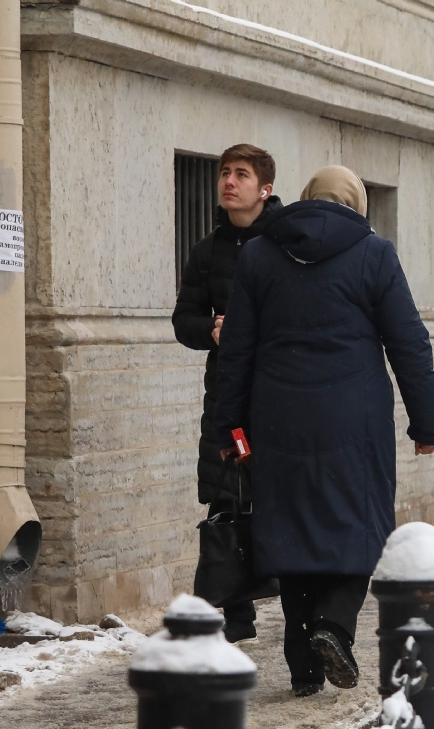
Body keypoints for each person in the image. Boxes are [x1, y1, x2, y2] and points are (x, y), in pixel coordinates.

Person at [209, 165, 434, 697]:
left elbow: (238, 350)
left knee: (290, 530)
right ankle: (333, 627)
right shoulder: (374, 253)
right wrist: (426, 421)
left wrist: (231, 429)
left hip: (277, 419)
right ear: (357, 205)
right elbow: (409, 342)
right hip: (353, 418)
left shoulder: (259, 255)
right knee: (359, 524)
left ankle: (303, 667)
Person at [172, 144, 282, 642]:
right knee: (226, 490)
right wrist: (211, 331)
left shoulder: (284, 243)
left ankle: (294, 598)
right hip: (226, 398)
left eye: (241, 174)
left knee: (276, 492)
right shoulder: (208, 248)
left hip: (279, 393)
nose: (229, 182)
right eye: (224, 173)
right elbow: (183, 320)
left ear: (265, 188)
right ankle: (237, 615)